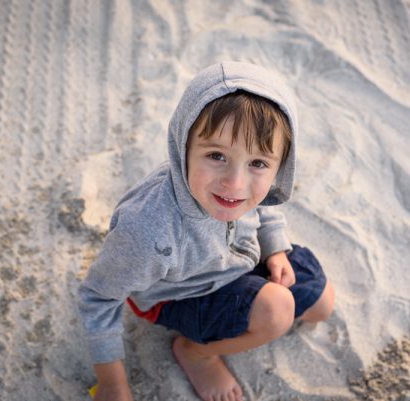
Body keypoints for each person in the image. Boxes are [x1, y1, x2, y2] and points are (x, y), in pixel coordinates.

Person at [78, 61, 335, 401]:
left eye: (258, 163)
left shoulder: (236, 189)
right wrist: (111, 383)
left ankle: (255, 295)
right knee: (277, 311)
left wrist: (274, 248)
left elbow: (263, 205)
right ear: (183, 145)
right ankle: (196, 352)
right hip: (182, 294)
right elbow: (98, 297)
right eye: (216, 155)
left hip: (239, 258)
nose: (235, 183)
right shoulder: (150, 230)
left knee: (322, 304)